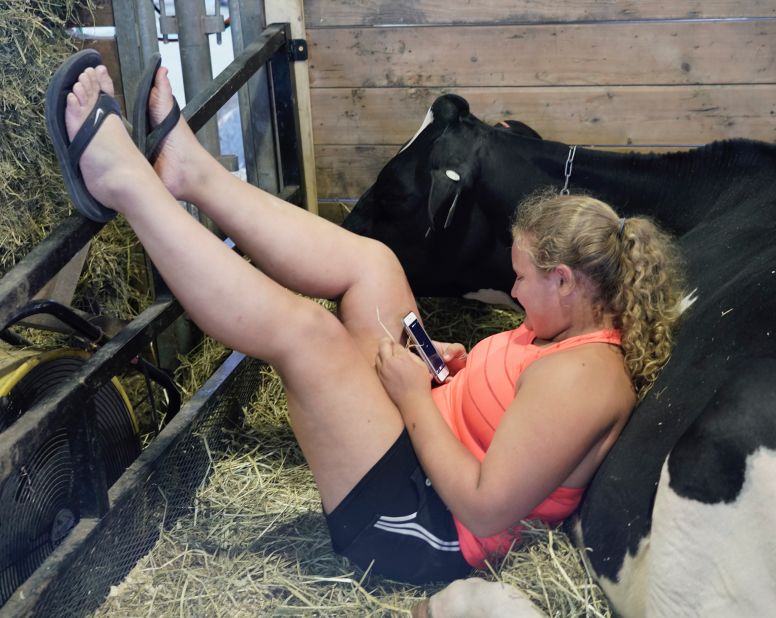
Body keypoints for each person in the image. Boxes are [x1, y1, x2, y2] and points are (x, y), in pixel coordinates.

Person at [49, 54, 685, 584]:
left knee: (308, 335)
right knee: (374, 264)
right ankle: (191, 173)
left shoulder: (585, 378)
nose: (513, 289)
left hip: (422, 527)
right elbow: (508, 403)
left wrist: (412, 397)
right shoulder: (562, 327)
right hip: (420, 444)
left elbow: (485, 508)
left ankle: (123, 181)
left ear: (565, 281)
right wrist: (450, 368)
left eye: (521, 277)